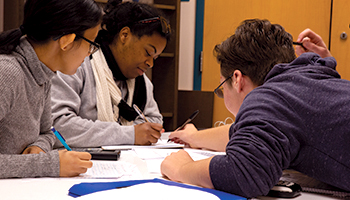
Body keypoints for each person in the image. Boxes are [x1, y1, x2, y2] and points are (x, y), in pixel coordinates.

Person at [161, 19, 350, 198]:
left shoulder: (268, 97)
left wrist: (182, 169)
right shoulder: (302, 82)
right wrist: (193, 137)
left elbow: (244, 172)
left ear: (237, 79)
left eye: (221, 88)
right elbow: (256, 131)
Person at [0, 0, 102, 178]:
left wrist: (39, 146)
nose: (89, 54)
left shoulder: (43, 73)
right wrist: (48, 164)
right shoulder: (7, 73)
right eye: (91, 44)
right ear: (67, 41)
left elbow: (48, 132)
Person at [50, 0, 171, 148]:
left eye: (155, 58)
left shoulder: (142, 82)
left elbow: (153, 121)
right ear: (125, 35)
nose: (150, 63)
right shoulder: (78, 64)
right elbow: (57, 126)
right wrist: (129, 134)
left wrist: (140, 132)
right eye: (148, 53)